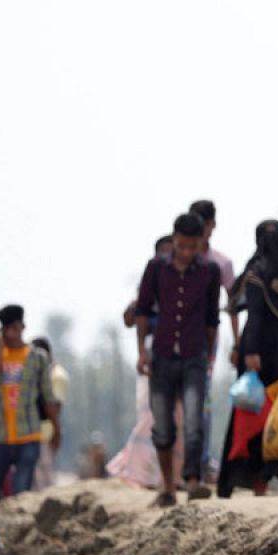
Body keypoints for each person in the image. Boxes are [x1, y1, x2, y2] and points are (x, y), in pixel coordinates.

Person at [222, 219, 278, 497]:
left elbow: (254, 313)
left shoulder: (256, 270)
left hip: (257, 352)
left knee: (252, 414)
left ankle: (248, 481)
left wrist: (248, 351)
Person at [135, 213, 221, 505]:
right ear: (174, 240)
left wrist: (209, 355)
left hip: (194, 354)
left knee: (195, 420)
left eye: (191, 247)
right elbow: (143, 311)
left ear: (200, 244)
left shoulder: (209, 272)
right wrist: (142, 351)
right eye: (181, 246)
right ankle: (168, 487)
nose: (185, 253)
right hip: (161, 355)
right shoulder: (156, 269)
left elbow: (212, 318)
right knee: (162, 426)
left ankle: (194, 481)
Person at [110, 234, 186, 490]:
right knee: (149, 412)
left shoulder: (185, 281)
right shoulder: (149, 283)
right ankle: (141, 472)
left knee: (177, 415)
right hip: (154, 354)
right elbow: (130, 318)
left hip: (180, 353)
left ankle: (172, 476)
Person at [0, 305, 63, 499]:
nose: (11, 334)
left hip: (28, 435)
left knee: (21, 494)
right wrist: (1, 350)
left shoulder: (37, 358)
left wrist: (56, 430)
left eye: (14, 328)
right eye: (6, 329)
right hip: (0, 436)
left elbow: (48, 397)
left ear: (21, 327)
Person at [191, 199, 238, 482]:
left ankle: (203, 460)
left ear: (212, 226)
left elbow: (232, 305)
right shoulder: (175, 257)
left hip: (205, 341)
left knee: (202, 400)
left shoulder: (220, 264)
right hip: (173, 340)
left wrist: (237, 341)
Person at [30, 337, 69, 490]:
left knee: (43, 481)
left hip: (45, 434)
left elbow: (54, 406)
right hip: (32, 434)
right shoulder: (40, 374)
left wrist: (57, 432)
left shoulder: (56, 376)